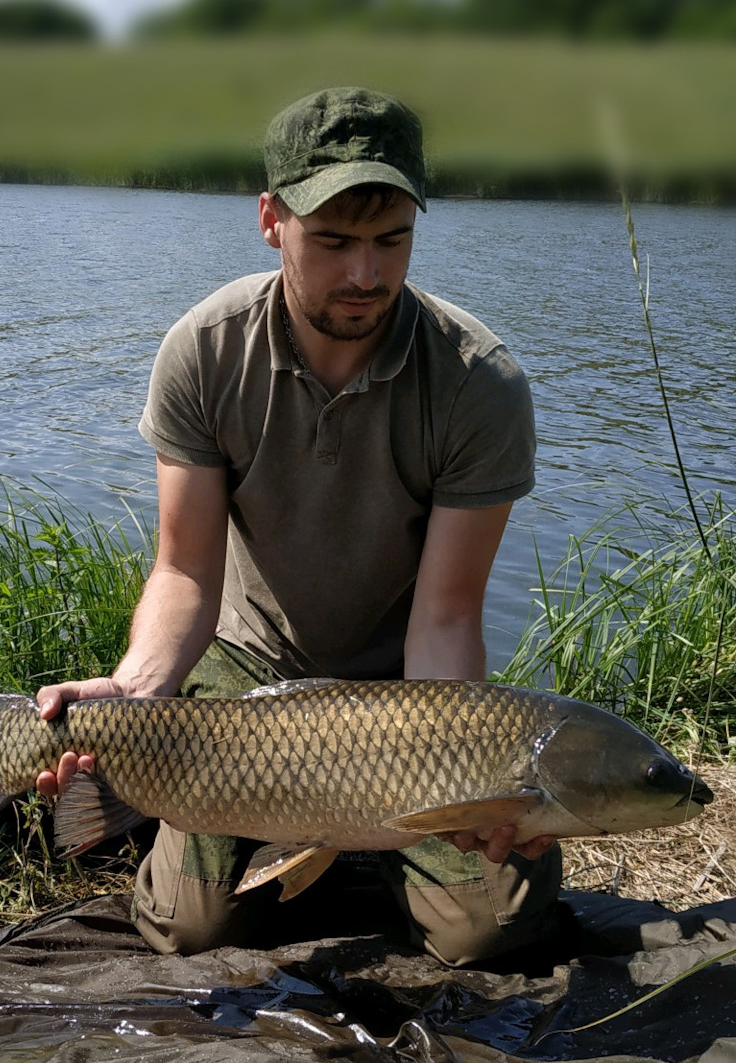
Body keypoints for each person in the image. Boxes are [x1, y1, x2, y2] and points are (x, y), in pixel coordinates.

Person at [35, 87, 561, 963]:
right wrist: (134, 690)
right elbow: (187, 574)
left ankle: (358, 842)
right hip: (244, 684)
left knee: (490, 934)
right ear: (272, 220)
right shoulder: (205, 350)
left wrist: (473, 783)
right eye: (334, 242)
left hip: (401, 701)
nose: (365, 275)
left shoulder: (478, 381)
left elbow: (445, 615)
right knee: (188, 932)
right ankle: (248, 830)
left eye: (391, 240)